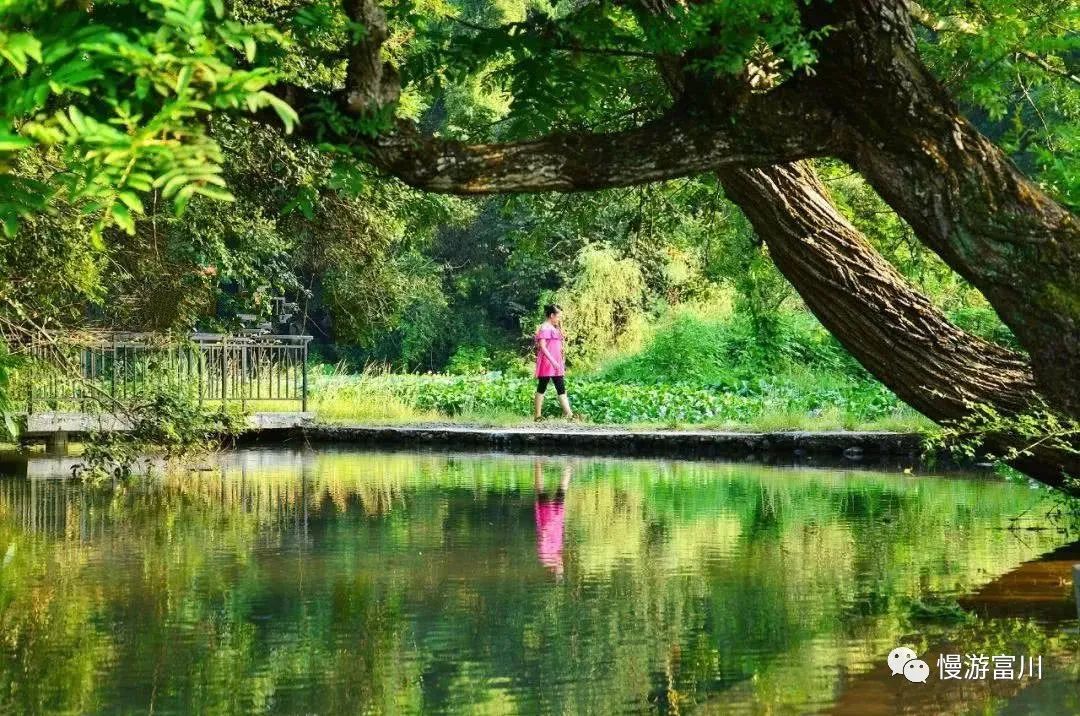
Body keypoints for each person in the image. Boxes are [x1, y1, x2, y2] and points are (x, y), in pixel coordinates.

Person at [534, 303, 573, 421]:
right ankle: (537, 415)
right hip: (548, 362)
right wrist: (552, 361)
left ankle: (569, 415)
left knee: (561, 386)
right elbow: (543, 347)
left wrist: (560, 360)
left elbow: (558, 345)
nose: (559, 319)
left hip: (556, 362)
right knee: (542, 386)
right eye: (558, 316)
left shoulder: (554, 328)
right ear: (552, 315)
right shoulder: (544, 327)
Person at [534, 460, 573, 577]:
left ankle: (538, 463)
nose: (561, 563)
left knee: (542, 491)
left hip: (548, 519)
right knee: (560, 492)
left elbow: (543, 537)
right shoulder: (555, 554)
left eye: (560, 566)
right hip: (556, 520)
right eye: (562, 565)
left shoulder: (546, 557)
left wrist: (547, 529)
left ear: (554, 568)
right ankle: (569, 466)